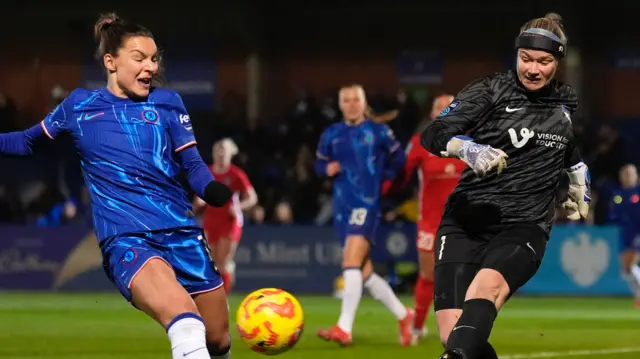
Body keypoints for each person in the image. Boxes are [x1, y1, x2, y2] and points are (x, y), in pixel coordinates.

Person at [0, 13, 233, 359]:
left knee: (217, 340)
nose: (150, 67)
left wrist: (210, 189)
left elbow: (193, 163)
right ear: (111, 62)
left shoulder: (168, 103)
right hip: (128, 237)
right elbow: (26, 141)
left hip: (182, 230)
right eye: (139, 58)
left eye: (153, 59)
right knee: (185, 321)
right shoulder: (79, 107)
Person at [419, 13, 590, 359]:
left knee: (487, 289)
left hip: (524, 225)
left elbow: (567, 145)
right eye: (526, 58)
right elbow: (433, 133)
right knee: (455, 333)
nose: (533, 69)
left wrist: (578, 178)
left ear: (557, 61)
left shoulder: (565, 102)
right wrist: (466, 148)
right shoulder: (489, 91)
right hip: (465, 220)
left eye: (543, 61)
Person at [314, 84, 415, 347]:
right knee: (365, 272)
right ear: (340, 105)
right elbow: (318, 162)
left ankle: (343, 328)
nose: (351, 104)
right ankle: (405, 316)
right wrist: (327, 168)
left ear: (364, 102)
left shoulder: (379, 131)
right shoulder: (332, 133)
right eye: (346, 100)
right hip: (342, 206)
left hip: (367, 203)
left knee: (349, 262)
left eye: (355, 99)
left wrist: (386, 183)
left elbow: (400, 162)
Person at [386, 94, 466, 344]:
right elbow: (399, 175)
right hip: (430, 222)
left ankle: (461, 329)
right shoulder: (420, 144)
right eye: (439, 107)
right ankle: (418, 326)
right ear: (432, 115)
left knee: (460, 276)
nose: (445, 111)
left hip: (463, 222)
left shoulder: (471, 144)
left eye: (450, 107)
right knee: (428, 275)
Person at [194, 138, 257, 293]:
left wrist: (238, 207)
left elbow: (252, 198)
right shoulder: (207, 172)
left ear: (231, 154)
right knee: (211, 262)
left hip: (229, 222)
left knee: (223, 261)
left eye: (224, 151)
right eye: (218, 150)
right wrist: (199, 202)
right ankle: (213, 294)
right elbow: (200, 195)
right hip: (211, 220)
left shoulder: (236, 174)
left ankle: (223, 297)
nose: (221, 154)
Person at [607, 164, 640, 307]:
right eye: (625, 174)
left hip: (637, 232)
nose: (627, 177)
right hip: (624, 233)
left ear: (636, 175)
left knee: (630, 264)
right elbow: (614, 214)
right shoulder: (618, 194)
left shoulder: (638, 192)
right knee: (625, 270)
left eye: (630, 173)